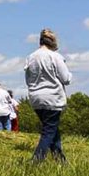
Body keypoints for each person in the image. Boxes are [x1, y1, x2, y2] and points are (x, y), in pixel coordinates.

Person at [25, 28, 72, 163]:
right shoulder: (55, 57)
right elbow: (66, 79)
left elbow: (28, 80)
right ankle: (36, 160)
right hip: (52, 97)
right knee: (48, 131)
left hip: (36, 98)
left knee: (52, 129)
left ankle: (61, 160)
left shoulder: (31, 57)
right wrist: (70, 75)